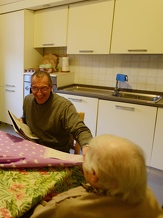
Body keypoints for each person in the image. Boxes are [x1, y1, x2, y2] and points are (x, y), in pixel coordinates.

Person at [30, 134, 163, 218]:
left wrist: (42, 203)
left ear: (94, 175)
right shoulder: (147, 194)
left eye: (86, 158)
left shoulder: (68, 207)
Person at [20, 71, 92, 154]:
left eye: (44, 88)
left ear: (51, 87)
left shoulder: (64, 106)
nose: (39, 93)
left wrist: (87, 146)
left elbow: (80, 129)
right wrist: (22, 120)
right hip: (34, 148)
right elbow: (26, 118)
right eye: (35, 88)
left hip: (56, 152)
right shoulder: (27, 100)